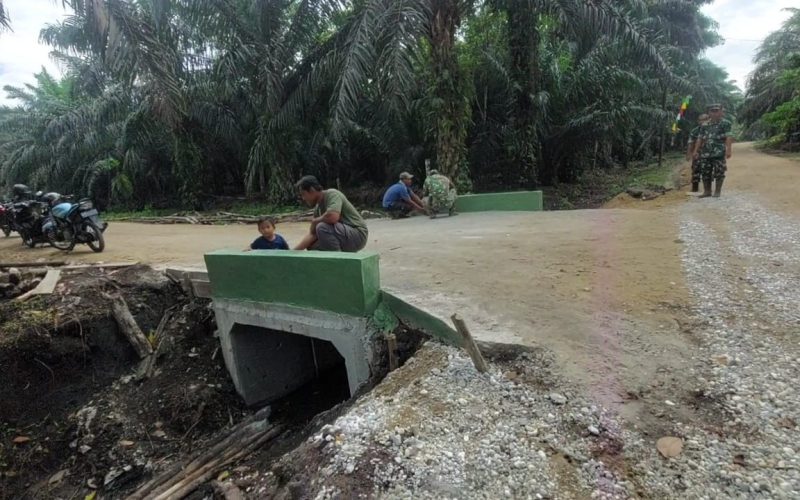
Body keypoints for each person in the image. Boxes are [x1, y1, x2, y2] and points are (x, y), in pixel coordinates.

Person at [293, 175, 368, 252]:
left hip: (358, 234)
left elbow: (333, 217)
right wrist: (293, 252)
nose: (303, 198)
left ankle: (337, 260)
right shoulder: (318, 209)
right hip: (344, 235)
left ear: (312, 190)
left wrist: (315, 221)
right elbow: (312, 234)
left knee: (322, 227)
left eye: (303, 194)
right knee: (312, 246)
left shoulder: (332, 194)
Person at [692, 104, 733, 198]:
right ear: (709, 112)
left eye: (717, 110)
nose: (715, 113)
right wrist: (695, 151)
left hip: (719, 151)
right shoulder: (704, 124)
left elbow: (728, 136)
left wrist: (728, 150)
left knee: (719, 171)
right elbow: (700, 138)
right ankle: (707, 191)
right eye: (712, 111)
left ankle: (717, 191)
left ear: (721, 111)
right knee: (705, 171)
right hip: (706, 152)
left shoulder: (726, 123)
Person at [686, 114, 709, 193]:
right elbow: (690, 142)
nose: (702, 122)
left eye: (704, 120)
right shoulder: (695, 130)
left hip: (709, 153)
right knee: (695, 169)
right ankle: (695, 188)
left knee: (707, 171)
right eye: (701, 120)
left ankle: (707, 190)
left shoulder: (711, 129)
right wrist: (689, 153)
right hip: (697, 153)